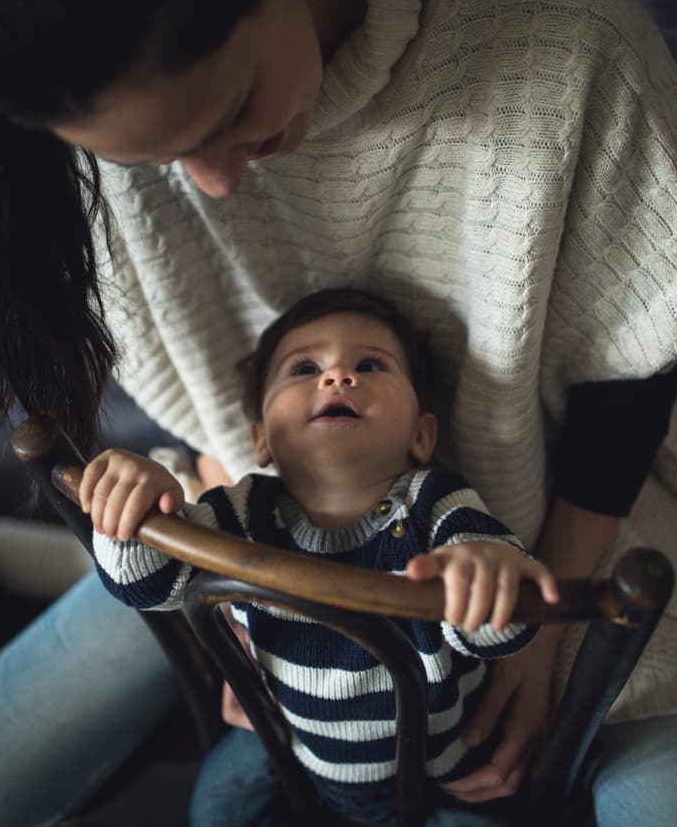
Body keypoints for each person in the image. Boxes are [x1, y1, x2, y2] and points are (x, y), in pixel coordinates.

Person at [0, 0, 677, 825]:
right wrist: (242, 595)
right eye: (159, 159)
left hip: (565, 536)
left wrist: (534, 632)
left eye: (228, 114)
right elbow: (191, 419)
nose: (220, 183)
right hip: (242, 515)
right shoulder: (87, 77)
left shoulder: (563, 29)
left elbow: (634, 367)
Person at [82, 287, 558, 825]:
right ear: (261, 439)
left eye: (371, 365)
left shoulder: (434, 502)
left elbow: (505, 630)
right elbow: (147, 586)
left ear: (422, 435)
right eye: (305, 368)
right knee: (215, 805)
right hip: (294, 750)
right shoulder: (243, 513)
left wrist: (488, 577)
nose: (337, 377)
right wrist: (133, 509)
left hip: (443, 771)